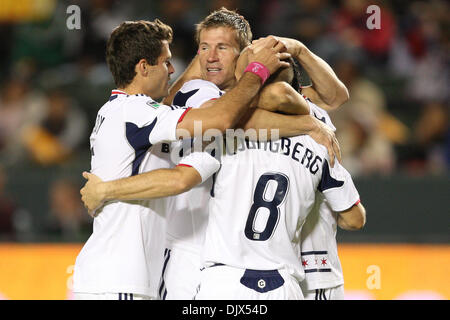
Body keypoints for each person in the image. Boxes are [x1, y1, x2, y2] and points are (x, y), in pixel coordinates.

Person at [80, 8, 348, 299]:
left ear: (244, 54)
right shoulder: (195, 92)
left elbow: (333, 96)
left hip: (234, 260)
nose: (210, 57)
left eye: (222, 47)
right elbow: (232, 119)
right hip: (186, 251)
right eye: (203, 48)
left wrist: (298, 49)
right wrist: (307, 122)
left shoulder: (251, 96)